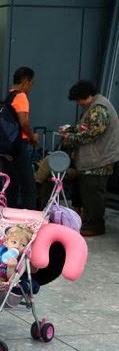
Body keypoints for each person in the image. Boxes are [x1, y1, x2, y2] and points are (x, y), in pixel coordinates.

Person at [60, 80, 119, 237]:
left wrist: (70, 137)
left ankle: (96, 226)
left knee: (94, 192)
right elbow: (84, 127)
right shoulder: (93, 107)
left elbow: (90, 134)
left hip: (99, 159)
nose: (78, 103)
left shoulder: (99, 109)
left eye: (79, 99)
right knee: (88, 191)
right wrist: (70, 129)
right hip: (93, 158)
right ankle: (90, 221)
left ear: (86, 96)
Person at [0, 66, 39, 209]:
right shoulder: (21, 96)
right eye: (31, 83)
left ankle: (11, 212)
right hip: (18, 144)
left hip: (8, 146)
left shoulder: (8, 96)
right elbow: (23, 121)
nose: (31, 87)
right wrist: (32, 136)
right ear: (26, 81)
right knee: (29, 185)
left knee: (11, 183)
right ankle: (30, 218)